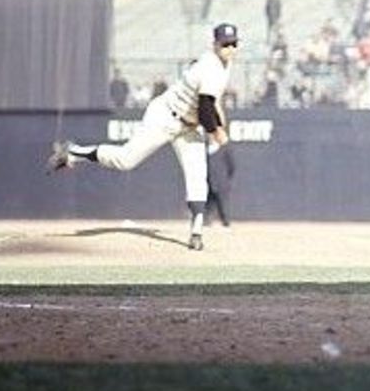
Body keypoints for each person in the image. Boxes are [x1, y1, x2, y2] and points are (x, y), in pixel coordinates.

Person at [46, 22, 240, 251]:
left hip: (189, 126)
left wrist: (220, 122)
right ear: (215, 44)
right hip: (166, 116)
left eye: (233, 43)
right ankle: (74, 152)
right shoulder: (211, 67)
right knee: (125, 159)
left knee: (197, 175)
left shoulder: (224, 66)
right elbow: (206, 108)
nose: (230, 48)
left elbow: (212, 102)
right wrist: (217, 132)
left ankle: (196, 232)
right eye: (225, 44)